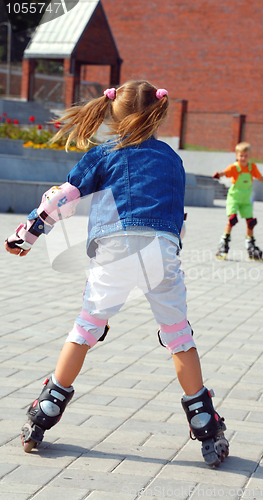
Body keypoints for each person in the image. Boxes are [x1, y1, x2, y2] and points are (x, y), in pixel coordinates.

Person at [4, 80, 228, 467]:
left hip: (114, 251)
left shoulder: (103, 153)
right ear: (158, 114)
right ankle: (205, 424)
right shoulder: (171, 159)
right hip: (161, 250)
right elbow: (177, 215)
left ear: (111, 112)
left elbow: (62, 197)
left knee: (86, 328)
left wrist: (27, 233)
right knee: (178, 335)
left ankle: (45, 411)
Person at [213, 141, 263, 260]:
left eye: (246, 156)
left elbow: (260, 177)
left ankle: (251, 246)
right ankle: (223, 243)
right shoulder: (234, 167)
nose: (243, 158)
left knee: (251, 222)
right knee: (232, 220)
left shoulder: (252, 167)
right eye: (241, 156)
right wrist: (219, 175)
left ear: (249, 156)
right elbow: (225, 172)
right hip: (234, 198)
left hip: (246, 199)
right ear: (237, 156)